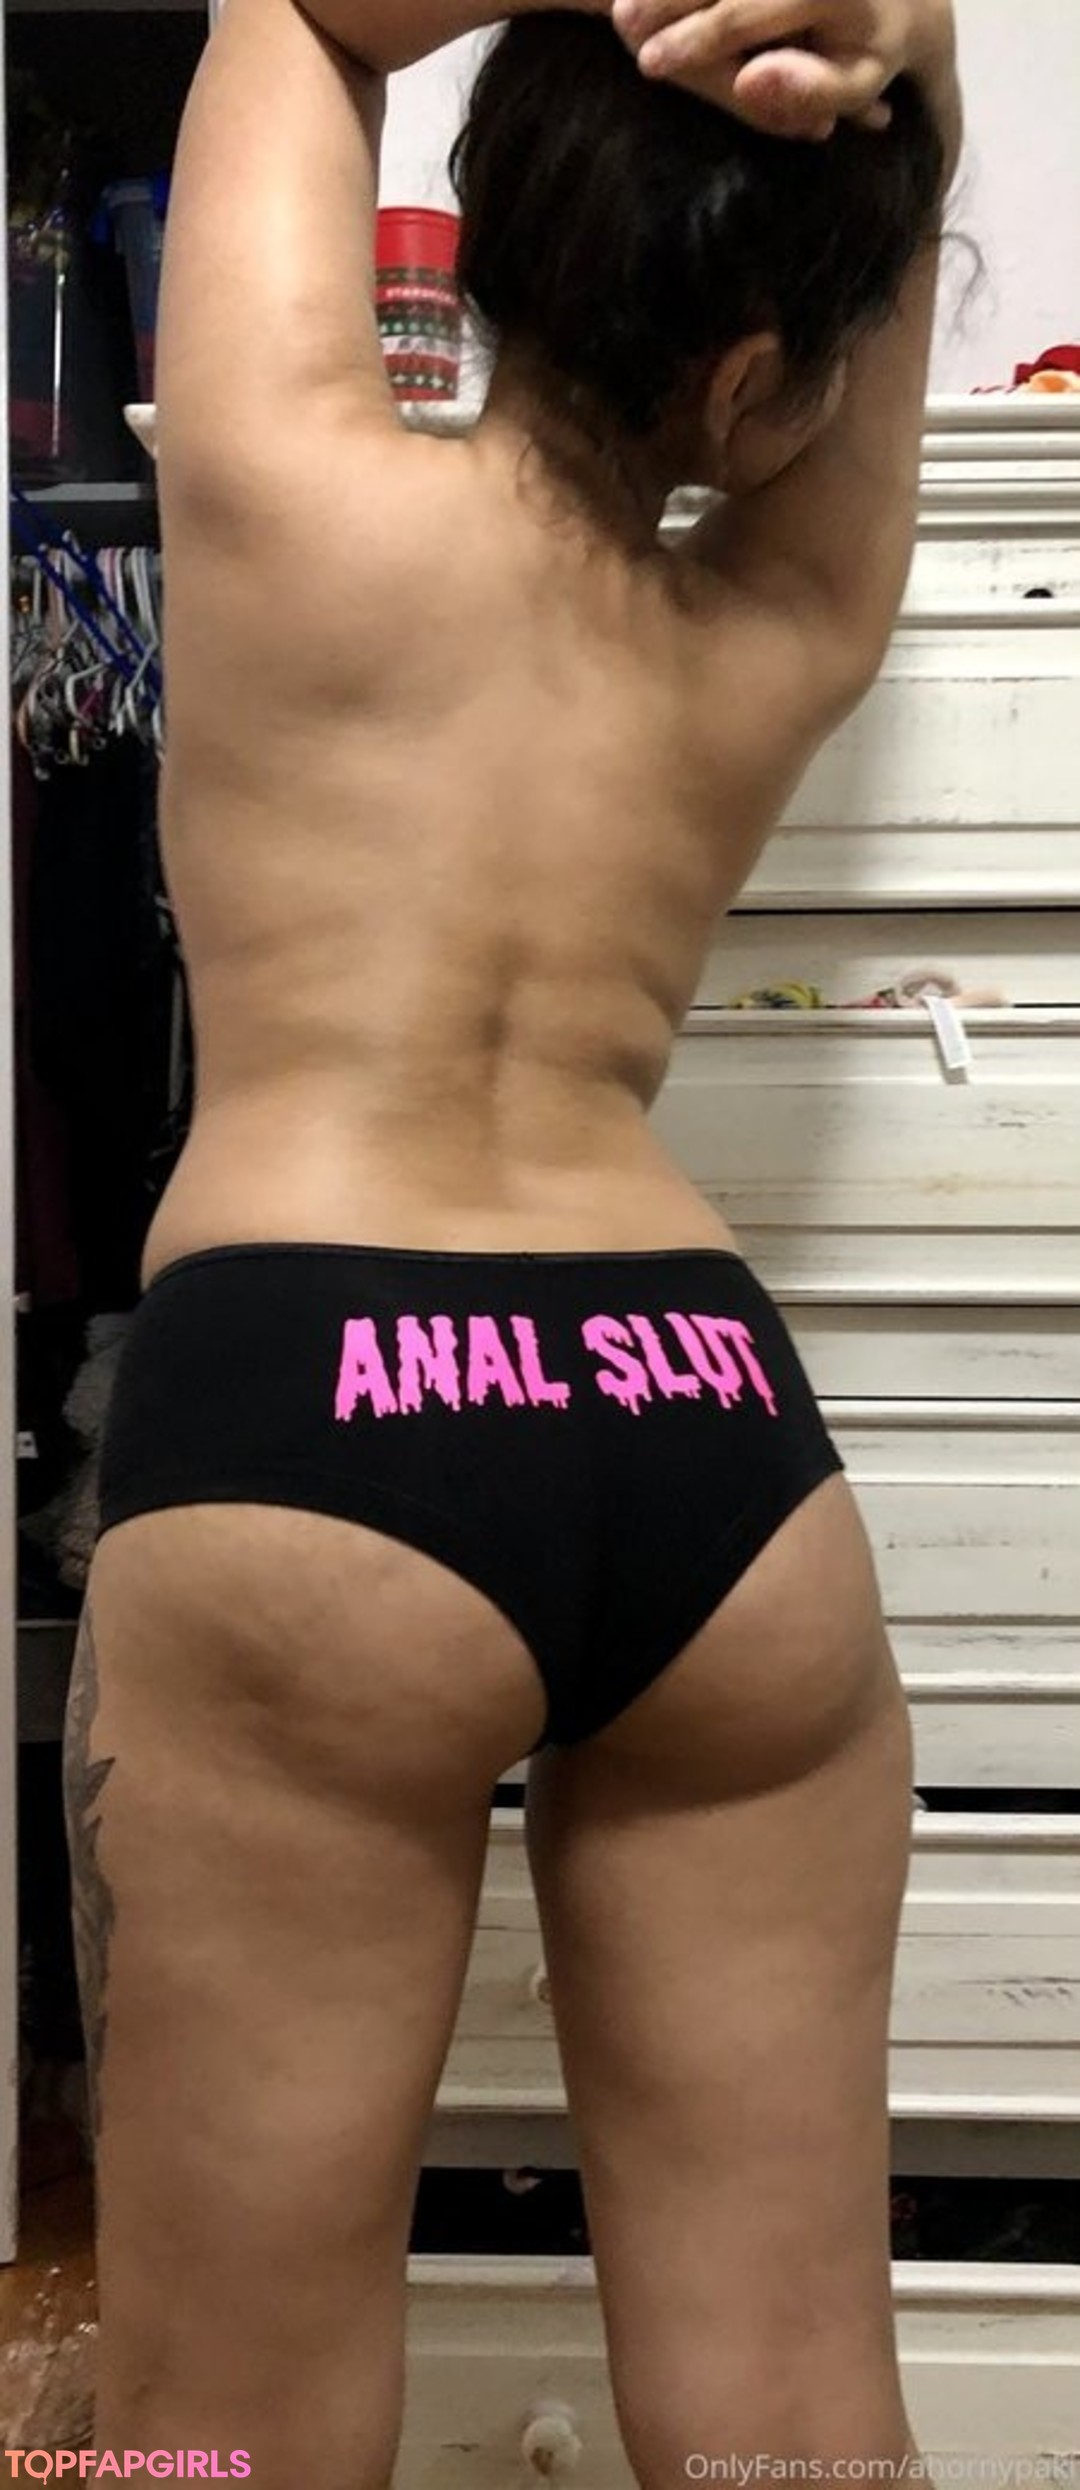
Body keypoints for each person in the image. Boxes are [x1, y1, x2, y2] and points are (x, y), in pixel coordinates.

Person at [62, 0, 963, 2480]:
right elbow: (873, 210)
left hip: (318, 1409)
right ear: (761, 366)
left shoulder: (284, 478)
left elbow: (290, 12)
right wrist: (907, 41)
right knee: (798, 2422)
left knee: (215, 2431)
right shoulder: (782, 625)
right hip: (710, 1442)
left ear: (498, 234)